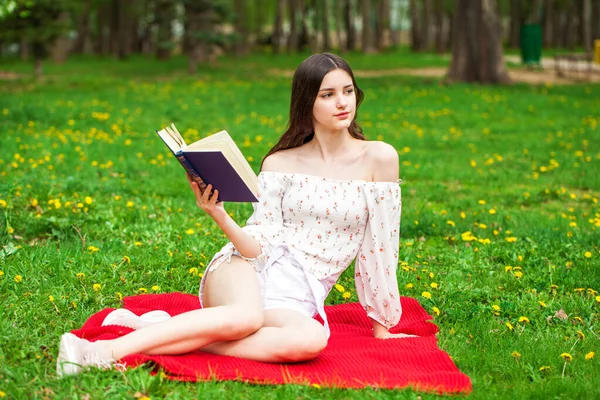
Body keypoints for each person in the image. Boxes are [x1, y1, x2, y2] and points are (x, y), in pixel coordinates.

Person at [56, 52, 413, 377]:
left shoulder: (378, 158)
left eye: (348, 91)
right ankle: (98, 351)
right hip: (243, 268)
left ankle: (163, 329)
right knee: (246, 316)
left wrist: (383, 321)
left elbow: (380, 246)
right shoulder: (279, 163)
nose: (342, 103)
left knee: (311, 341)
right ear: (307, 103)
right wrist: (218, 214)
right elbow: (260, 242)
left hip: (298, 297)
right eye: (327, 94)